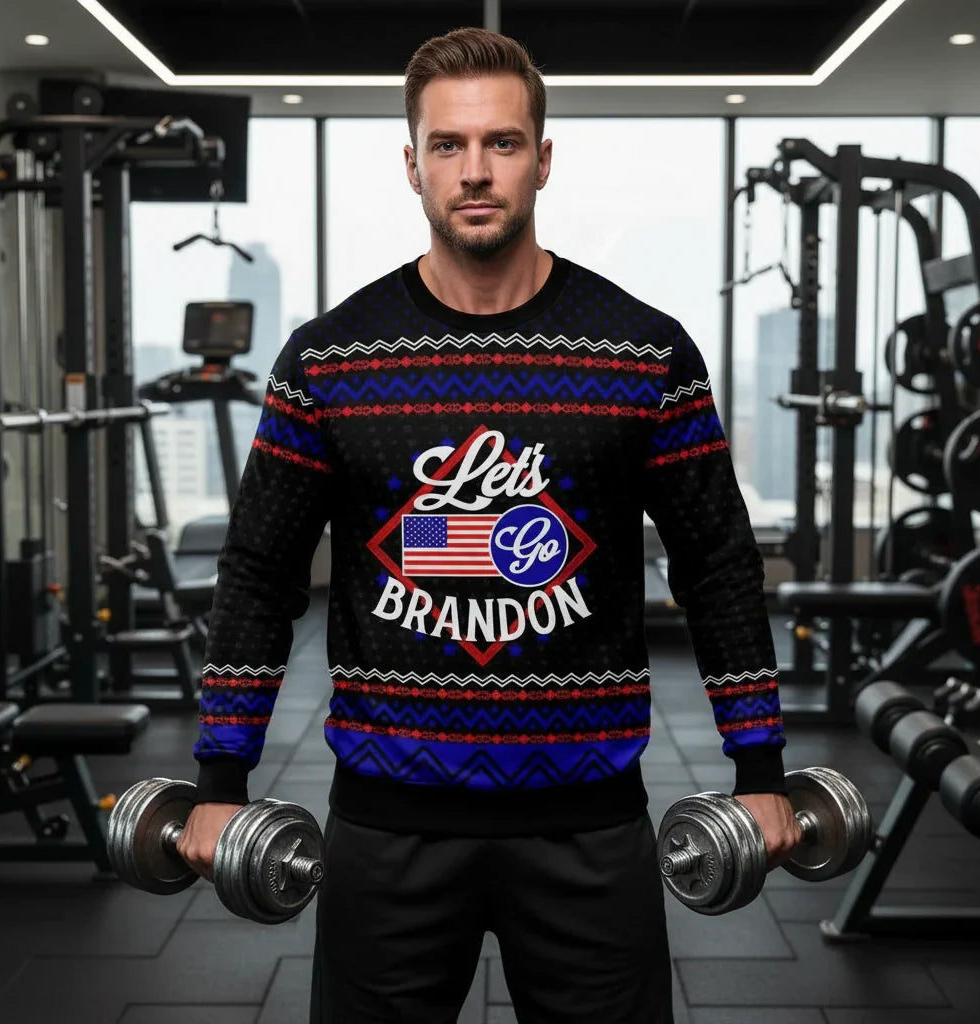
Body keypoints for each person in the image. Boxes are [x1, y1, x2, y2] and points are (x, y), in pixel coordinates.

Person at [177, 25, 802, 1024]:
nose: (476, 171)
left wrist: (759, 767)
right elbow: (259, 571)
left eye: (502, 143)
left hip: (587, 823)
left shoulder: (643, 352)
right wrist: (220, 776)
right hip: (387, 825)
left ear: (542, 158)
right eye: (450, 146)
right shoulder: (330, 358)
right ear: (413, 162)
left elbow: (716, 562)